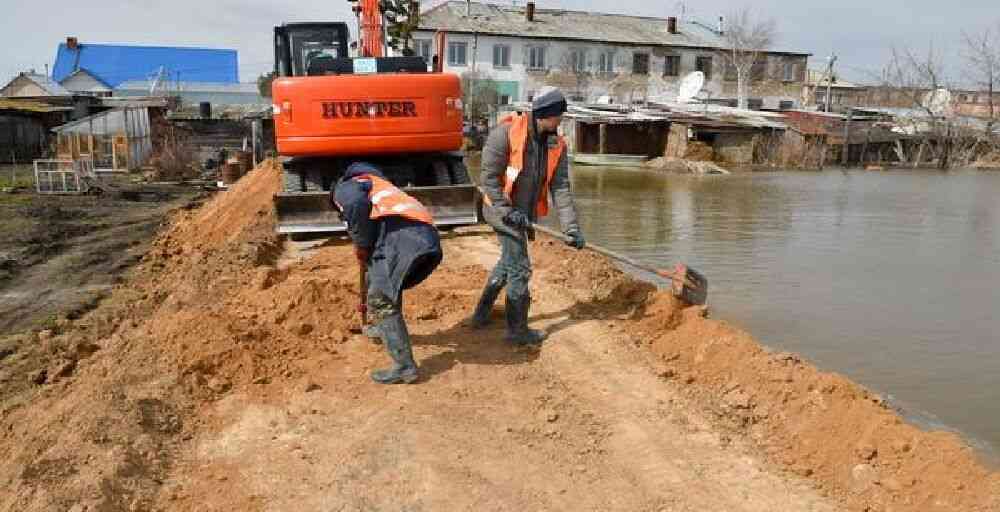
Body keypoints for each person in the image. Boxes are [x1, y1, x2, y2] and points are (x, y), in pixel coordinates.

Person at [470, 86, 586, 345]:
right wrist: (507, 211)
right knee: (520, 268)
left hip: (523, 213)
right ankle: (517, 331)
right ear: (545, 114)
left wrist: (571, 228)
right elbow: (488, 179)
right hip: (498, 209)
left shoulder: (556, 144)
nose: (560, 121)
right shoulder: (505, 135)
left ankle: (481, 313)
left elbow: (561, 187)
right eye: (558, 116)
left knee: (508, 262)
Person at [332, 162, 443, 384]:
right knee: (386, 288)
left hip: (403, 240)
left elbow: (354, 205)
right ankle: (382, 330)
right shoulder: (377, 185)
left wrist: (361, 244)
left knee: (380, 299)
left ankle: (404, 367)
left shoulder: (345, 187)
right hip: (425, 239)